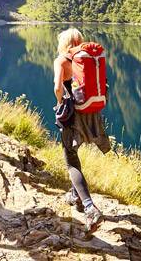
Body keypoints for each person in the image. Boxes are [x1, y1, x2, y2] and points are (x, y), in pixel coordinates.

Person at [53, 28, 111, 233]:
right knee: (75, 156)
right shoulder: (88, 59)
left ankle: (89, 207)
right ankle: (75, 196)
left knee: (71, 159)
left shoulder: (62, 60)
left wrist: (60, 103)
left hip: (73, 114)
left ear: (64, 42)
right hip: (91, 112)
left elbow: (58, 88)